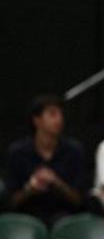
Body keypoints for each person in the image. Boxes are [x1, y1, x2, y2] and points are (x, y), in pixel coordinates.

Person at [5, 94, 87, 227]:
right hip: (27, 218)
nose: (59, 119)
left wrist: (56, 182)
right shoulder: (18, 152)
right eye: (52, 114)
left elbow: (79, 200)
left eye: (61, 114)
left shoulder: (74, 150)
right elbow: (11, 202)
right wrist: (30, 189)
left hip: (64, 216)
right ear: (37, 120)